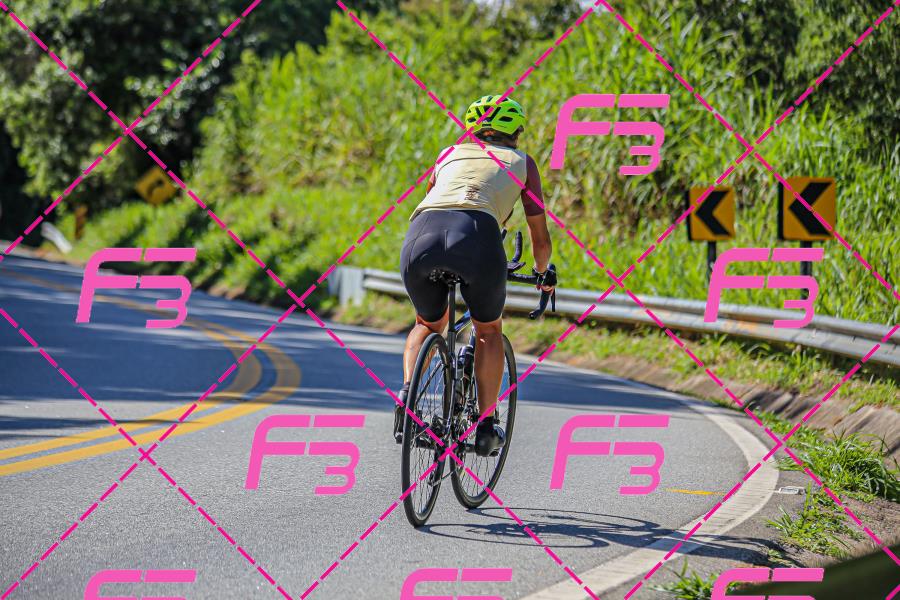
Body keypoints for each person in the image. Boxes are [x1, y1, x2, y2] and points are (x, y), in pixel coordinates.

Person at [394, 94, 555, 456]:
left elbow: (437, 200)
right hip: (477, 238)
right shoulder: (522, 163)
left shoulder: (448, 155)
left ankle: (407, 397)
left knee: (427, 324)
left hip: (420, 237)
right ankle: (485, 425)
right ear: (516, 132)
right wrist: (543, 272)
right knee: (488, 331)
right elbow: (540, 240)